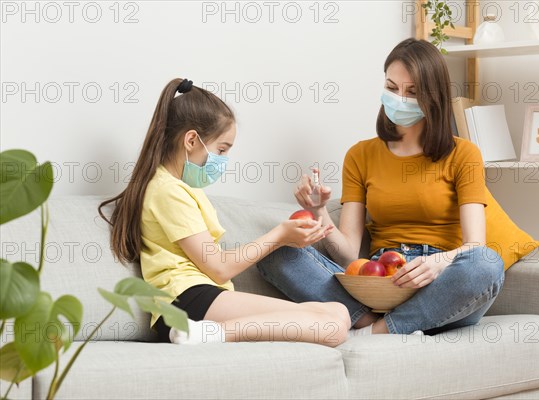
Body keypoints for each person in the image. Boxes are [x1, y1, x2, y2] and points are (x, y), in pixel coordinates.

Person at [257, 38, 505, 337]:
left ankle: (379, 330)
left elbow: (474, 246)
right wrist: (319, 210)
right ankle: (382, 323)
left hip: (439, 281)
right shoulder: (361, 155)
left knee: (486, 264)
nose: (400, 99)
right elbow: (348, 254)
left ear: (434, 97)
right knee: (275, 250)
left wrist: (437, 263)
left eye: (412, 92)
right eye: (391, 88)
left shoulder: (463, 154)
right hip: (377, 282)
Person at [98, 78, 350, 346]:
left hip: (199, 298)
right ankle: (205, 334)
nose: (223, 161)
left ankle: (206, 333)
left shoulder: (183, 187)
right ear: (192, 140)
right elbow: (219, 268)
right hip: (185, 303)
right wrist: (280, 236)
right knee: (332, 326)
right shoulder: (166, 191)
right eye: (221, 150)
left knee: (339, 313)